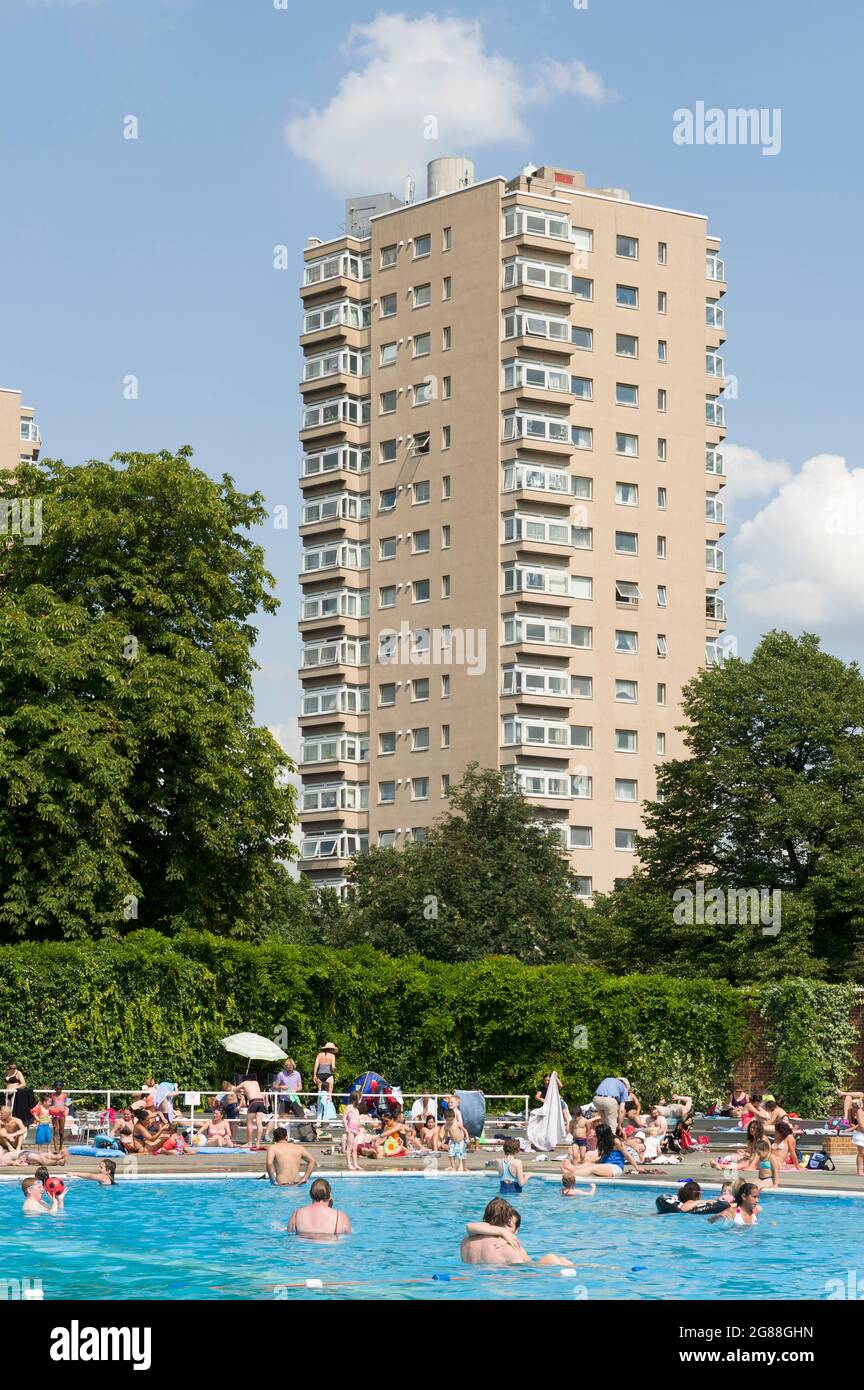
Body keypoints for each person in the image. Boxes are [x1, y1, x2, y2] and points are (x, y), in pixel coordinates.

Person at [460, 1198, 570, 1266]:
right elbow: (525, 1272)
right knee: (553, 1259)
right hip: (504, 1286)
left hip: (475, 1284)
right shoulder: (509, 1246)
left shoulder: (465, 1243)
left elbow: (470, 1226)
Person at [565, 1123, 642, 1178]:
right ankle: (572, 1168)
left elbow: (627, 1154)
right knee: (590, 1164)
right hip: (606, 1165)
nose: (596, 1135)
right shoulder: (605, 1142)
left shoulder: (616, 1141)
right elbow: (603, 1157)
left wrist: (636, 1167)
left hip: (615, 1168)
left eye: (598, 1134)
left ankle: (570, 1174)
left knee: (592, 1168)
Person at [236, 1076, 269, 1149]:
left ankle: (249, 1143)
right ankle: (258, 1143)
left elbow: (235, 1089)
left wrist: (240, 1090)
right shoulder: (256, 1082)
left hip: (253, 1101)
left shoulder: (244, 1083)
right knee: (259, 1123)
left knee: (249, 1122)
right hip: (261, 1101)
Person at [443, 1099, 468, 1173]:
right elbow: (445, 1135)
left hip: (460, 1142)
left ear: (453, 1118)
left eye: (451, 1120)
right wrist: (442, 1141)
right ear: (446, 1119)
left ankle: (464, 1167)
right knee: (450, 1155)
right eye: (448, 1120)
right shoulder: (446, 1126)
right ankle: (453, 1167)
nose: (450, 1122)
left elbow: (465, 1130)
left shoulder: (456, 1123)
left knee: (462, 1155)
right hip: (453, 1143)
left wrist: (468, 1138)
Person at [342, 1093, 362, 1171]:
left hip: (356, 1129)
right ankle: (349, 1164)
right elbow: (344, 1118)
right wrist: (346, 1127)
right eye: (360, 1099)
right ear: (356, 1099)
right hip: (350, 1129)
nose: (361, 1100)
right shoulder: (349, 1107)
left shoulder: (356, 1108)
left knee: (355, 1148)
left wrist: (359, 1126)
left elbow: (358, 1119)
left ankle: (355, 1163)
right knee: (349, 1147)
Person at [48, 1085, 70, 1154]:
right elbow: (49, 1104)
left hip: (62, 1114)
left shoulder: (65, 1095)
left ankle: (60, 1147)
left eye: (60, 1089)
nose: (58, 1090)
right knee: (55, 1130)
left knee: (61, 1131)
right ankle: (56, 1149)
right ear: (54, 1089)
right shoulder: (52, 1095)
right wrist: (51, 1108)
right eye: (57, 1089)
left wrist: (68, 1103)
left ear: (62, 1088)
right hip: (55, 1114)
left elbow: (68, 1104)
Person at [851, 1102, 864, 1177]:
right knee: (861, 1153)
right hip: (861, 1135)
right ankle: (859, 1171)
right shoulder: (860, 1111)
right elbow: (861, 1125)